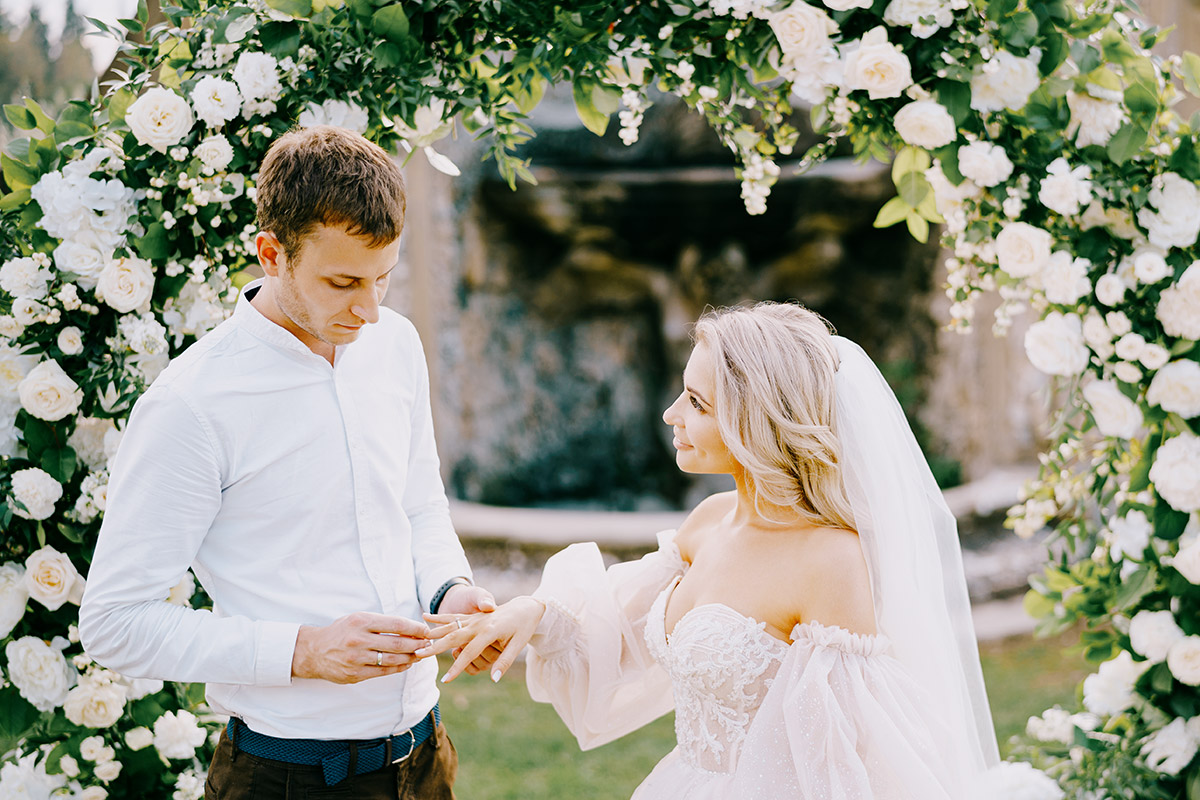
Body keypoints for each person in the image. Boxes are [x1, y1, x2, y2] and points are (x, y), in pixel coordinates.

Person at [420, 302, 1000, 798]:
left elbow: (849, 760)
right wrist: (534, 612)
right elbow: (621, 620)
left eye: (697, 403)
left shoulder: (829, 559)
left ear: (757, 421)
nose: (671, 414)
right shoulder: (709, 520)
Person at [79, 125, 493, 799]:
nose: (368, 309)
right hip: (286, 776)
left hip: (425, 758)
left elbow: (417, 503)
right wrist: (303, 651)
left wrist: (451, 589)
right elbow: (114, 622)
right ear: (272, 253)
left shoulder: (397, 345)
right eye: (342, 281)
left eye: (384, 279)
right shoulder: (191, 404)